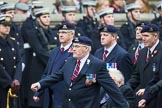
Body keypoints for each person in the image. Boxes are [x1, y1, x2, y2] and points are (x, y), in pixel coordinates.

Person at [31, 36, 128, 108]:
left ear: (86, 49)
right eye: (73, 46)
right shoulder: (69, 61)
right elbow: (57, 76)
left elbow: (111, 88)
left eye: (77, 46)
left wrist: (123, 105)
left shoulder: (97, 64)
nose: (73, 49)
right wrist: (40, 84)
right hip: (68, 105)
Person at [22, 7, 58, 108]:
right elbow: (39, 51)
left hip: (50, 67)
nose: (47, 19)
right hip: (40, 67)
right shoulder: (34, 32)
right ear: (38, 19)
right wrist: (54, 63)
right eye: (44, 17)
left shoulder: (51, 32)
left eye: (48, 17)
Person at [33, 22, 75, 108]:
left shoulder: (75, 51)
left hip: (65, 97)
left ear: (72, 34)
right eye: (59, 32)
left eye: (64, 32)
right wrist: (38, 92)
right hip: (50, 96)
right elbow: (47, 73)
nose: (60, 35)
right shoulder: (54, 51)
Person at [128, 23, 162, 108]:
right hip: (143, 100)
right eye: (142, 36)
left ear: (155, 36)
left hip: (158, 99)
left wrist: (148, 91)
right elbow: (136, 75)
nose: (143, 39)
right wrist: (125, 88)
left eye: (146, 36)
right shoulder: (143, 52)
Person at [0, 14, 22, 108]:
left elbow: (18, 61)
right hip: (2, 83)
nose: (7, 28)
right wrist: (9, 81)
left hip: (13, 84)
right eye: (4, 25)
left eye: (9, 25)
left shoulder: (13, 42)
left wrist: (17, 79)